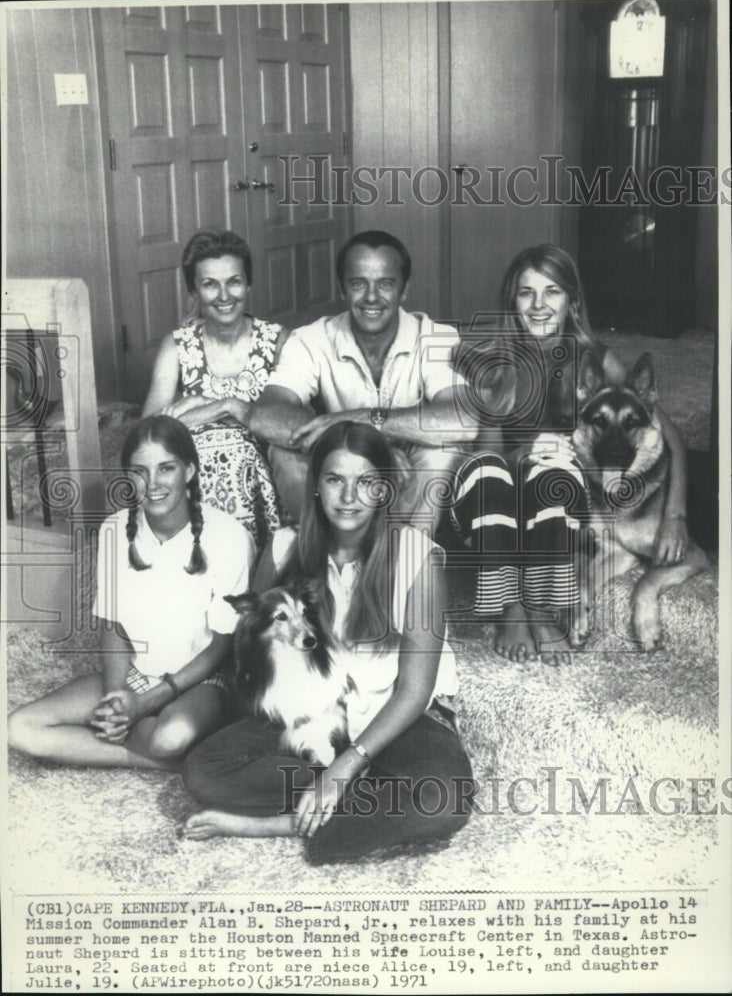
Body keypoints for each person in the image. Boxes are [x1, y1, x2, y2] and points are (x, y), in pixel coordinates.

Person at [181, 421, 474, 864]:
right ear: (316, 486)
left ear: (383, 491)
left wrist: (344, 767)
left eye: (365, 482)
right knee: (205, 772)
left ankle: (281, 823)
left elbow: (415, 690)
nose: (349, 496)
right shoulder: (283, 549)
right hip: (312, 720)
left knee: (444, 799)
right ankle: (349, 799)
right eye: (335, 480)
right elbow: (257, 660)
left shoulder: (418, 556)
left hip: (399, 718)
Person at [450, 244, 689, 666]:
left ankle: (541, 610)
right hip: (501, 500)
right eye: (527, 293)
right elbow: (483, 457)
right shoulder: (499, 367)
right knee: (488, 472)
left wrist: (674, 516)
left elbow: (670, 437)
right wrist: (524, 451)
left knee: (558, 471)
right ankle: (512, 611)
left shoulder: (594, 359)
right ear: (513, 303)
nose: (539, 305)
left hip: (560, 504)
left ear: (572, 302)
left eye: (552, 292)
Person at [8, 415, 256, 769]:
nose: (152, 483)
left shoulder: (229, 537)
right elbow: (113, 627)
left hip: (200, 680)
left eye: (166, 469)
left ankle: (159, 744)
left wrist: (148, 703)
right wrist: (115, 698)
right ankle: (163, 760)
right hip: (136, 675)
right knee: (19, 729)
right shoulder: (114, 530)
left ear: (189, 471)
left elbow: (221, 646)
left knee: (171, 736)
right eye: (140, 471)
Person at [249, 230, 479, 536]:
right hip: (342, 466)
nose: (371, 297)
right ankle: (329, 558)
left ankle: (404, 562)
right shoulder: (310, 339)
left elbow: (464, 421)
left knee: (444, 452)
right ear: (343, 288)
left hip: (408, 470)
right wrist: (368, 443)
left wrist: (363, 418)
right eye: (359, 283)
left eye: (385, 284)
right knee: (285, 454)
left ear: (404, 289)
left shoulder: (436, 337)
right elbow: (266, 415)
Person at [143, 229, 287, 551]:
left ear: (248, 283)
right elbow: (150, 433)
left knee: (241, 453)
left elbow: (290, 424)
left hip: (262, 472)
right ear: (194, 290)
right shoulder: (178, 346)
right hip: (200, 475)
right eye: (210, 284)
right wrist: (223, 406)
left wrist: (198, 406)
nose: (224, 295)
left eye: (234, 281)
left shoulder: (277, 341)